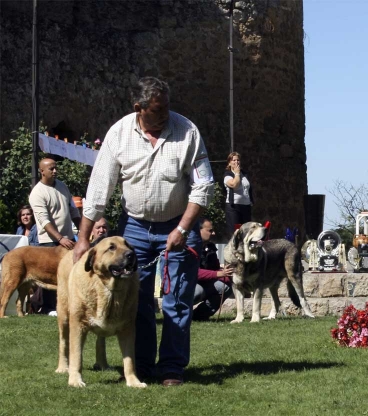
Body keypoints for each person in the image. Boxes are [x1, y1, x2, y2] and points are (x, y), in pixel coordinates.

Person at [73, 77, 214, 387]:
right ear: (139, 108)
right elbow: (99, 189)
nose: (165, 114)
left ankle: (172, 369)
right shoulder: (118, 135)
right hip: (133, 229)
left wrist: (182, 228)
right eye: (157, 109)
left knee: (177, 300)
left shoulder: (187, 131)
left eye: (167, 107)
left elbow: (203, 185)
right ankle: (143, 366)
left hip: (180, 224)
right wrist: (83, 238)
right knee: (137, 303)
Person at [29, 158, 81, 314]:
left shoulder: (62, 186)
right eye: (51, 169)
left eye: (55, 168)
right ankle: (48, 308)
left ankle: (68, 306)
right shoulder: (37, 193)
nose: (55, 171)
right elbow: (44, 221)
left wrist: (83, 232)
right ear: (42, 171)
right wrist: (60, 239)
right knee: (50, 274)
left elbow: (73, 211)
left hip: (69, 239)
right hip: (49, 241)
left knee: (70, 273)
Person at [192, 218, 234, 321]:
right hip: (189, 284)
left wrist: (228, 274)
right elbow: (193, 272)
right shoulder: (189, 247)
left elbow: (215, 269)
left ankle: (198, 316)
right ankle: (180, 314)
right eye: (210, 230)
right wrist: (218, 274)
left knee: (226, 287)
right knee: (198, 291)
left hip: (205, 283)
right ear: (198, 230)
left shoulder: (210, 248)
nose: (213, 233)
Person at [224, 152, 253, 238]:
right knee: (235, 234)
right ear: (229, 162)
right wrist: (236, 173)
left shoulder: (244, 174)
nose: (236, 162)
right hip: (233, 208)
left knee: (246, 233)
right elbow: (234, 185)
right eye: (234, 160)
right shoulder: (228, 175)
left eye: (238, 160)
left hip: (246, 206)